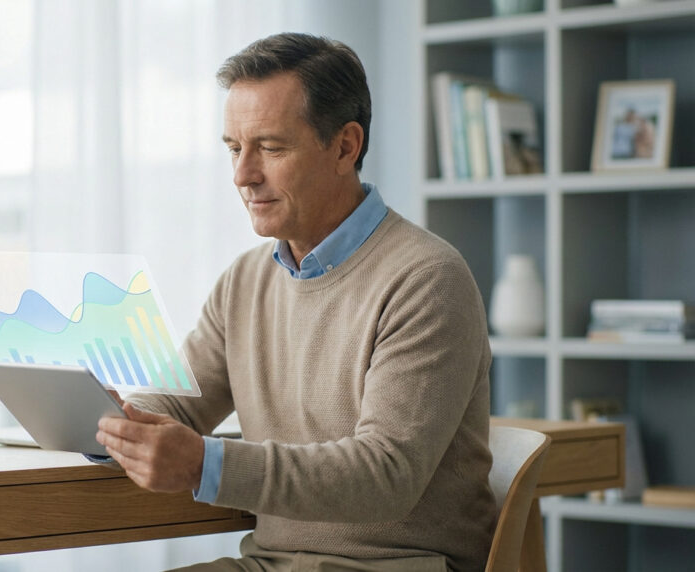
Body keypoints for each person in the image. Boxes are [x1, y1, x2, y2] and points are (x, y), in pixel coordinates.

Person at [97, 32, 496, 572]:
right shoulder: (243, 282)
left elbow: (386, 473)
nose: (243, 176)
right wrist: (115, 419)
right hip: (270, 564)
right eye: (235, 149)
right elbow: (180, 402)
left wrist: (204, 465)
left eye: (271, 147)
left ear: (345, 147)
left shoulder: (427, 278)